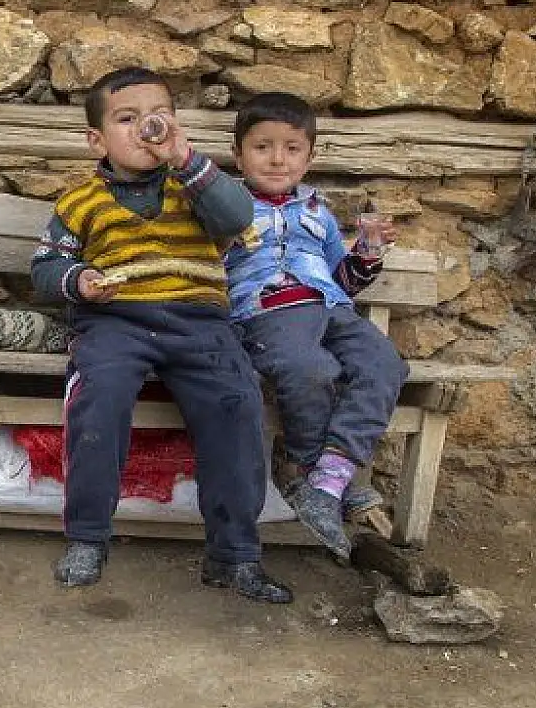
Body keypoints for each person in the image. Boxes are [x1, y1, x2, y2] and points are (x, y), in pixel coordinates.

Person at [31, 67, 292, 604]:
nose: (145, 128)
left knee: (237, 403)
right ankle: (88, 537)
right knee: (98, 398)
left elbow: (236, 217)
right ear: (97, 141)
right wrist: (79, 280)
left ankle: (234, 555)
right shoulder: (78, 202)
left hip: (200, 322)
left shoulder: (195, 185)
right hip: (115, 320)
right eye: (127, 119)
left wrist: (186, 159)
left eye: (158, 116)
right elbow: (44, 269)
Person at [223, 91, 410, 562]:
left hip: (332, 308)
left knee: (385, 362)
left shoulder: (317, 213)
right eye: (262, 147)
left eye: (292, 148)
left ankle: (330, 477)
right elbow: (205, 269)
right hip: (269, 312)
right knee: (311, 369)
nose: (277, 159)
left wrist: (368, 250)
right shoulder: (224, 209)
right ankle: (308, 469)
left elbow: (342, 279)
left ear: (309, 158)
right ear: (238, 155)